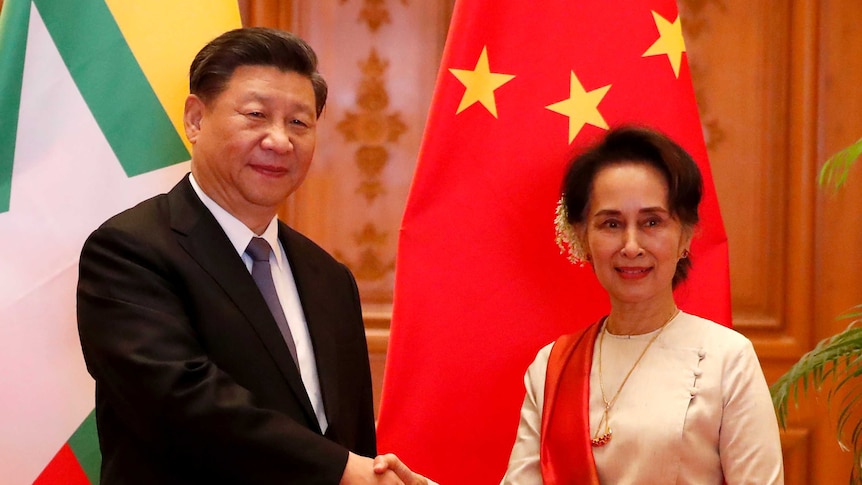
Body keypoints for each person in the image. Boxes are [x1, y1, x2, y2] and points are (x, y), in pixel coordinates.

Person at [77, 27, 426, 484]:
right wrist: (340, 470)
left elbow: (351, 434)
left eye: (299, 123)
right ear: (196, 119)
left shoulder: (330, 277)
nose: (280, 141)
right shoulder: (129, 251)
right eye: (257, 114)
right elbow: (181, 406)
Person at [500, 126, 784, 484]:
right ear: (582, 237)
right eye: (611, 224)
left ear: (685, 235)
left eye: (652, 222)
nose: (631, 245)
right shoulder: (553, 367)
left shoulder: (727, 359)